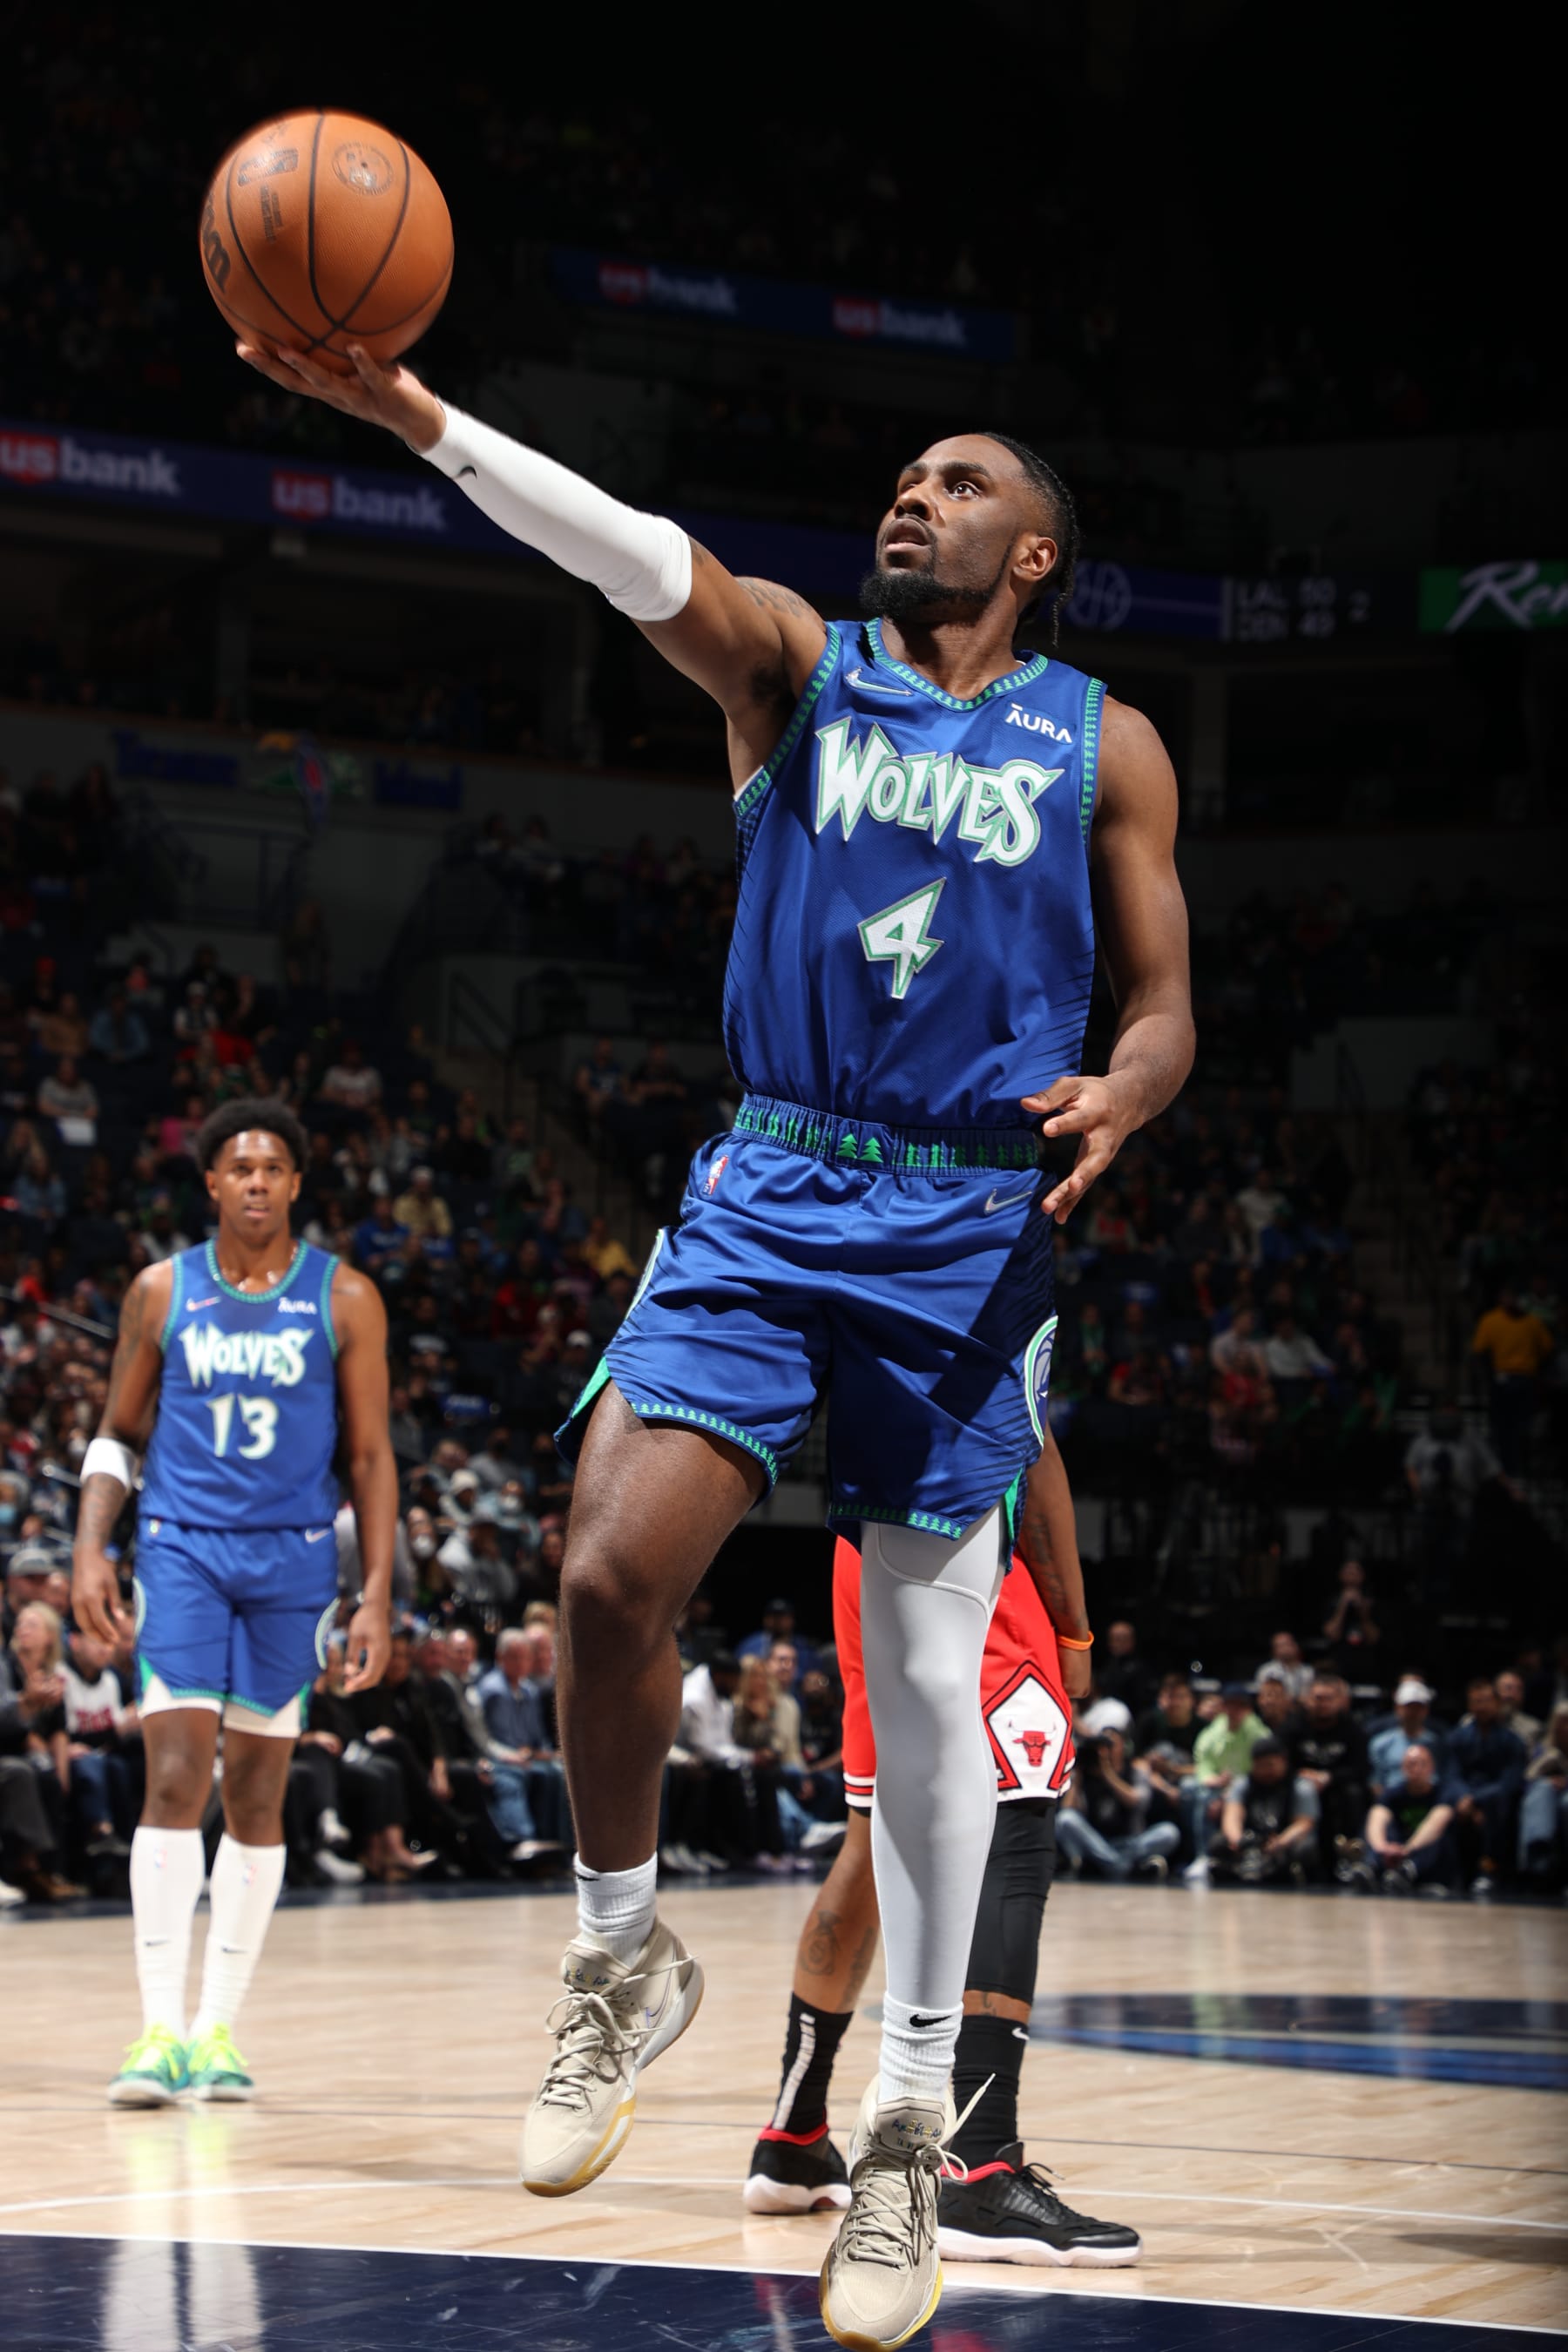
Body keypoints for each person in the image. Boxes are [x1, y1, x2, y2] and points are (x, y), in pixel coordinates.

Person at [252, 336, 1193, 2351]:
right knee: (607, 1572)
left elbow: (1167, 994)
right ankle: (623, 1954)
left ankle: (911, 2119)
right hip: (773, 1179)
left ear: (1036, 551)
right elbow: (624, 551)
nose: (914, 494)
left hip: (964, 1221)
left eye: (961, 479)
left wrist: (1133, 1082)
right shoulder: (796, 669)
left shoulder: (1104, 745)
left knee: (927, 1690)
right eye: (906, 476)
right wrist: (416, 416)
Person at [745, 1431, 1139, 2268]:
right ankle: (977, 2165)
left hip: (866, 1535)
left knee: (874, 1839)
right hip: (967, 1529)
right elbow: (1036, 1442)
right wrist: (1074, 1634)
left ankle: (794, 2134)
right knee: (1015, 1830)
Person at [71, 1098, 395, 2106]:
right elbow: (118, 1435)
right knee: (175, 1778)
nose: (256, 1181)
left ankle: (217, 2030)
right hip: (183, 1551)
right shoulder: (161, 1291)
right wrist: (88, 1547)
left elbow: (372, 1457)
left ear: (296, 1183)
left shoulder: (346, 1298)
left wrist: (377, 1592)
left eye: (273, 1168)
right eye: (239, 1168)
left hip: (293, 1565)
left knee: (257, 1794)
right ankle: (157, 2030)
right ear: (210, 1182)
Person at [1447, 1676, 1526, 1897]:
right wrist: (1463, 1797)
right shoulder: (1457, 1738)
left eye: (1486, 1701)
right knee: (1446, 1806)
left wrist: (1475, 1800)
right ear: (1469, 1705)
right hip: (1464, 1797)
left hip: (1495, 1799)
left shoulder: (1512, 1741)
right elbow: (1451, 1774)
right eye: (1476, 1701)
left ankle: (1488, 1872)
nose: (1481, 1707)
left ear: (1497, 1704)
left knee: (1498, 1806)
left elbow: (1509, 1781)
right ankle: (1452, 1873)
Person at [1208, 1738, 1319, 1884]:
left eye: (1270, 1765)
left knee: (1306, 1848)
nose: (1265, 1771)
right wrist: (1239, 1841)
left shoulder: (1300, 1787)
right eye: (1260, 1766)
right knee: (1218, 1842)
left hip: (1281, 1843)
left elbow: (1304, 1823)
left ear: (1283, 1762)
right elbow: (1232, 1816)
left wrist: (1280, 1842)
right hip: (1249, 1842)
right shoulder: (1243, 1785)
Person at [1362, 1742, 1456, 1894]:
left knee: (1438, 1838)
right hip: (1395, 1849)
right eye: (1411, 1765)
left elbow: (1436, 1823)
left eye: (1422, 1764)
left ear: (1432, 1768)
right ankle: (1371, 1867)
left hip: (1422, 1853)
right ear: (1403, 1768)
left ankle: (1407, 1871)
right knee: (1376, 1827)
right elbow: (1377, 1817)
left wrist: (1407, 1849)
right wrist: (1383, 1847)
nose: (1417, 1769)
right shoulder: (1392, 1793)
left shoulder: (1443, 1792)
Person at [1369, 1677, 1444, 1794]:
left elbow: (1443, 1778)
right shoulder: (1380, 1744)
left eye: (1418, 1707)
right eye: (1409, 1707)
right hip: (1393, 1799)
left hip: (1430, 1798)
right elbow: (1376, 1782)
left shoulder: (1436, 1743)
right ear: (1397, 1708)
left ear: (1426, 1710)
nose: (1413, 1713)